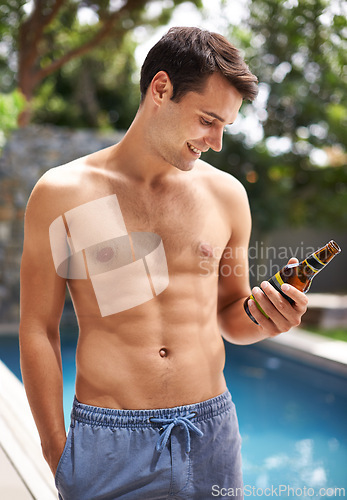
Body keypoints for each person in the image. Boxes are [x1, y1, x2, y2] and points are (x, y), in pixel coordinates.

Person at [19, 27, 308, 500]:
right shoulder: (63, 194)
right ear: (161, 89)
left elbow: (232, 317)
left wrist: (268, 317)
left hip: (211, 433)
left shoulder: (227, 196)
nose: (216, 142)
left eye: (225, 127)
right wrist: (58, 453)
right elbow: (37, 329)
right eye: (207, 121)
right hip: (108, 443)